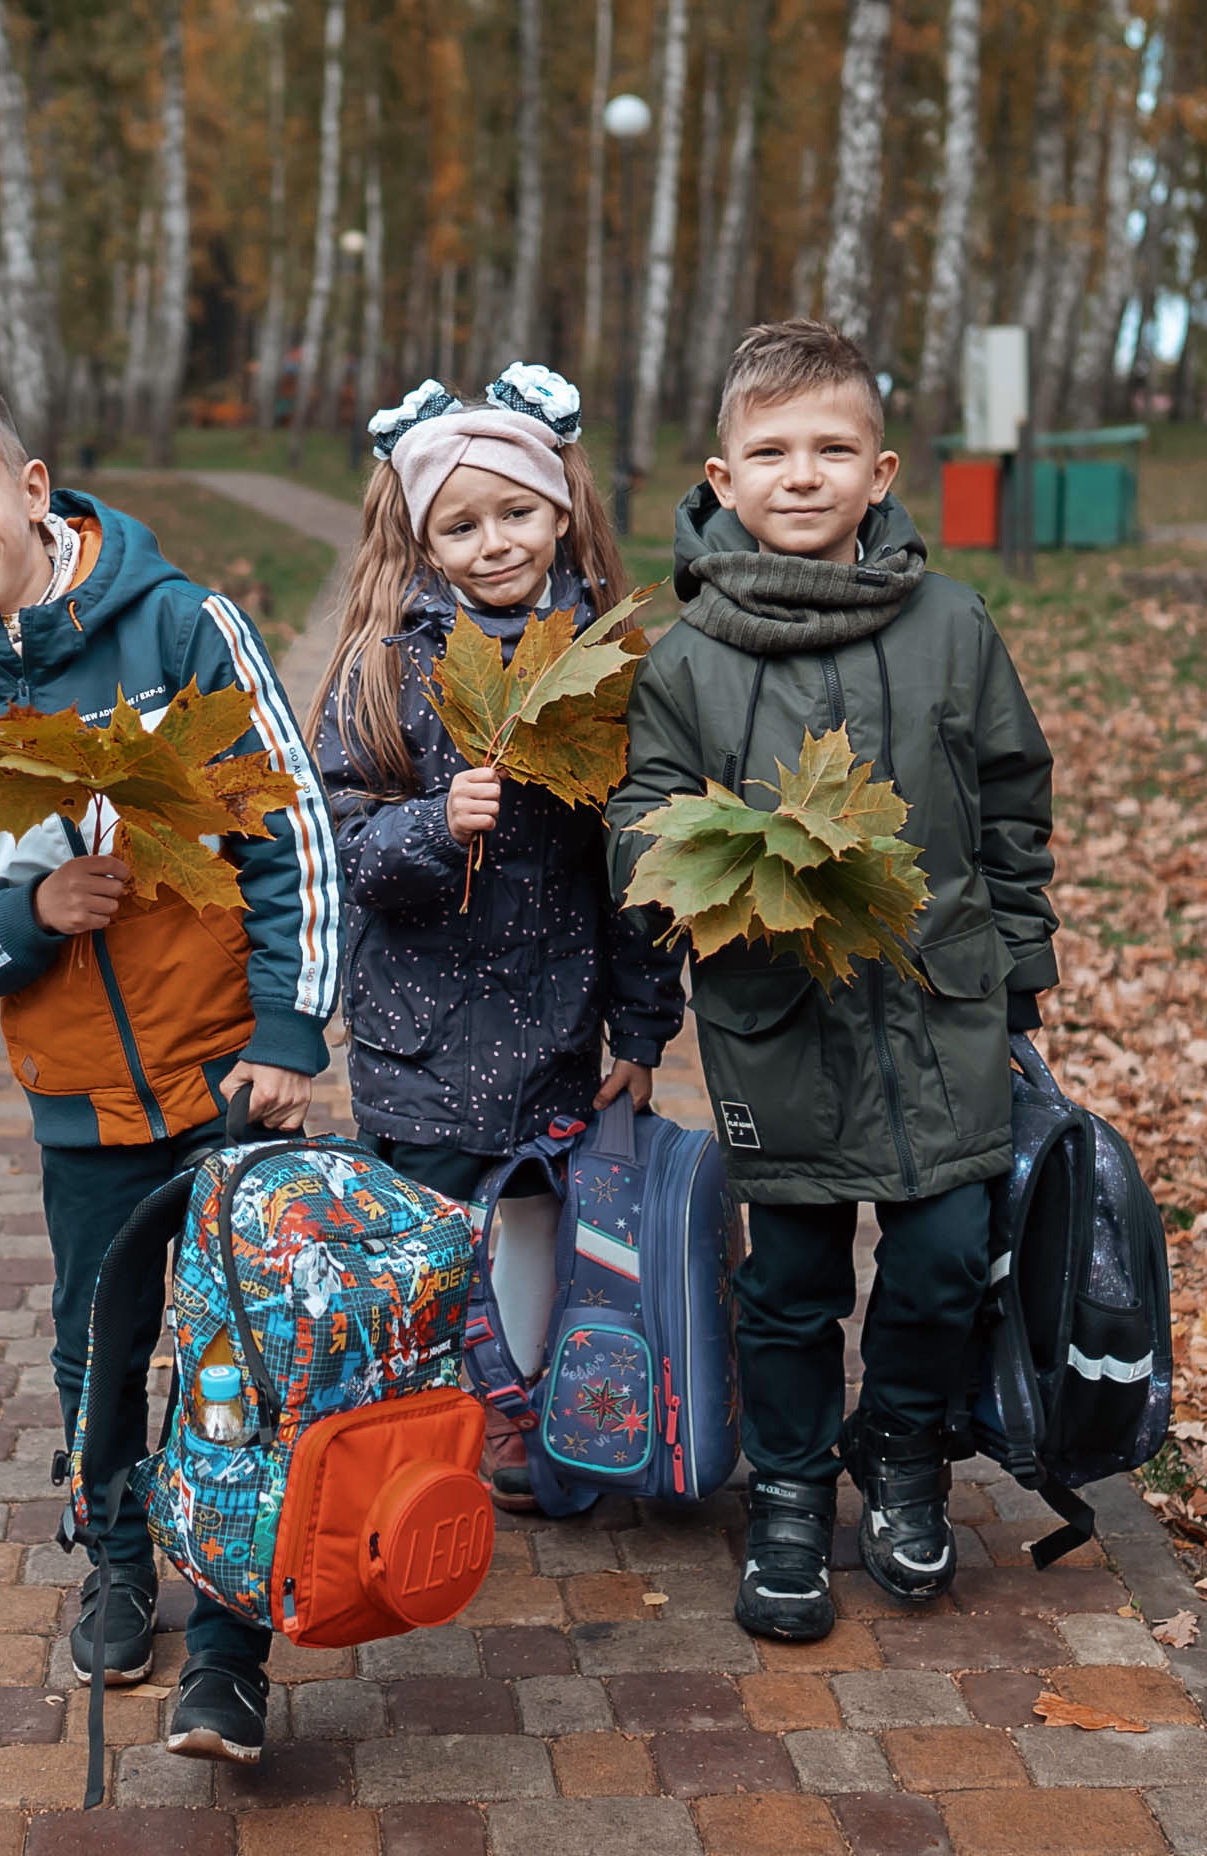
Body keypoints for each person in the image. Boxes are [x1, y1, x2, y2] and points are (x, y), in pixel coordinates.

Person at [0, 365, 341, 1764]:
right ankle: (120, 1560)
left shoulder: (182, 630)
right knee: (101, 1350)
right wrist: (33, 915)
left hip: (229, 1083)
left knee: (241, 1350)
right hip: (80, 1111)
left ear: (30, 488)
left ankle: (235, 1642)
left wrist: (290, 1032)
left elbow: (290, 836)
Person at [606, 321, 1057, 1640]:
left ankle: (903, 1454)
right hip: (777, 1019)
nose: (801, 475)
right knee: (792, 1283)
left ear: (880, 471)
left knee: (942, 1260)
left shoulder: (953, 627)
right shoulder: (689, 659)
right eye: (771, 452)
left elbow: (1013, 802)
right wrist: (715, 860)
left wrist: (1018, 971)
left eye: (831, 449)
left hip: (941, 1011)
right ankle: (793, 1492)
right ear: (723, 476)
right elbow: (641, 814)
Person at [309, 364, 684, 1512]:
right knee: (427, 1230)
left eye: (514, 513)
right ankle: (424, 1415)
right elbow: (337, 835)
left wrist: (641, 1021)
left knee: (539, 1216)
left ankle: (522, 1405)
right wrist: (431, 821)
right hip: (422, 1030)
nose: (491, 544)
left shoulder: (611, 668)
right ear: (422, 539)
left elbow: (644, 865)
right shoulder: (386, 665)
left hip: (556, 1015)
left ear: (561, 507)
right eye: (458, 526)